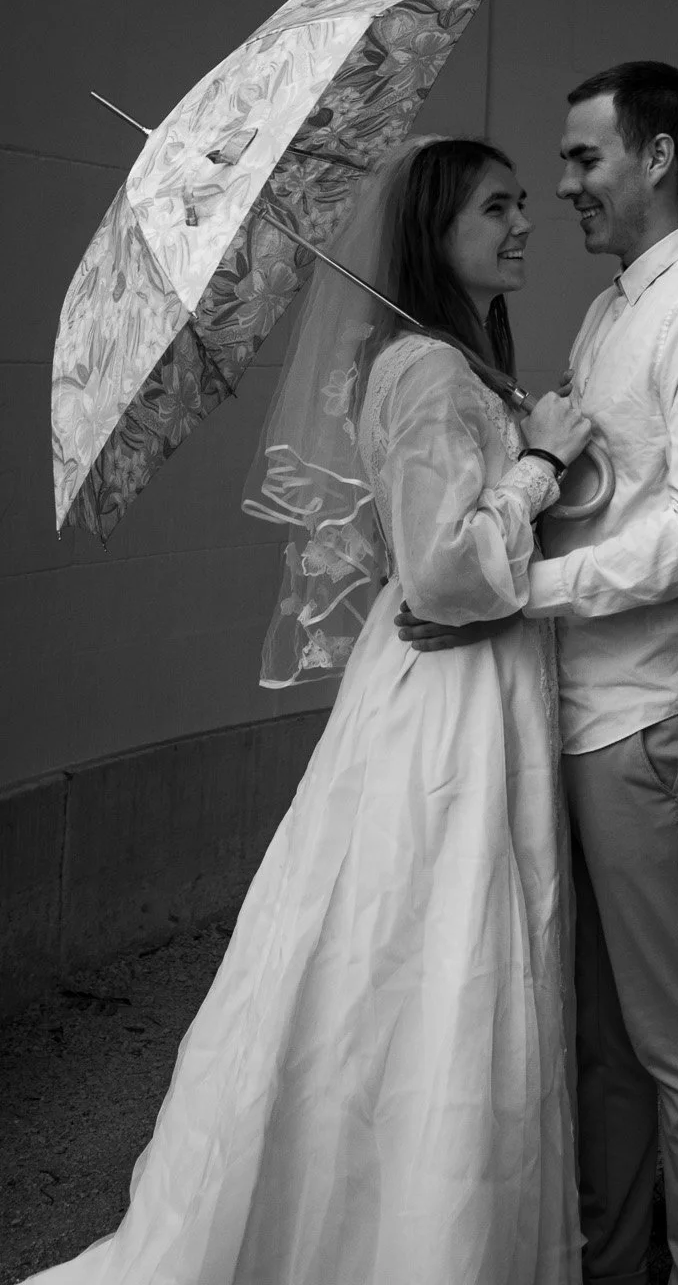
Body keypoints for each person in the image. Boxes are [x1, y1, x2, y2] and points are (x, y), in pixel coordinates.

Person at [25, 136, 594, 1285]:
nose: (524, 220)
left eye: (527, 201)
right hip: (449, 697)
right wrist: (533, 464)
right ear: (438, 233)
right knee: (438, 951)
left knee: (421, 947)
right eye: (498, 206)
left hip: (460, 683)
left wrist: (530, 448)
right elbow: (442, 574)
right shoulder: (431, 372)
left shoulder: (449, 363)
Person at [401, 65, 678, 1285]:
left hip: (659, 722)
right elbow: (599, 498)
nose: (560, 184)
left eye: (582, 159)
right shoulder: (613, 309)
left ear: (657, 157)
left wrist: (528, 593)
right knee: (606, 1048)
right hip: (583, 715)